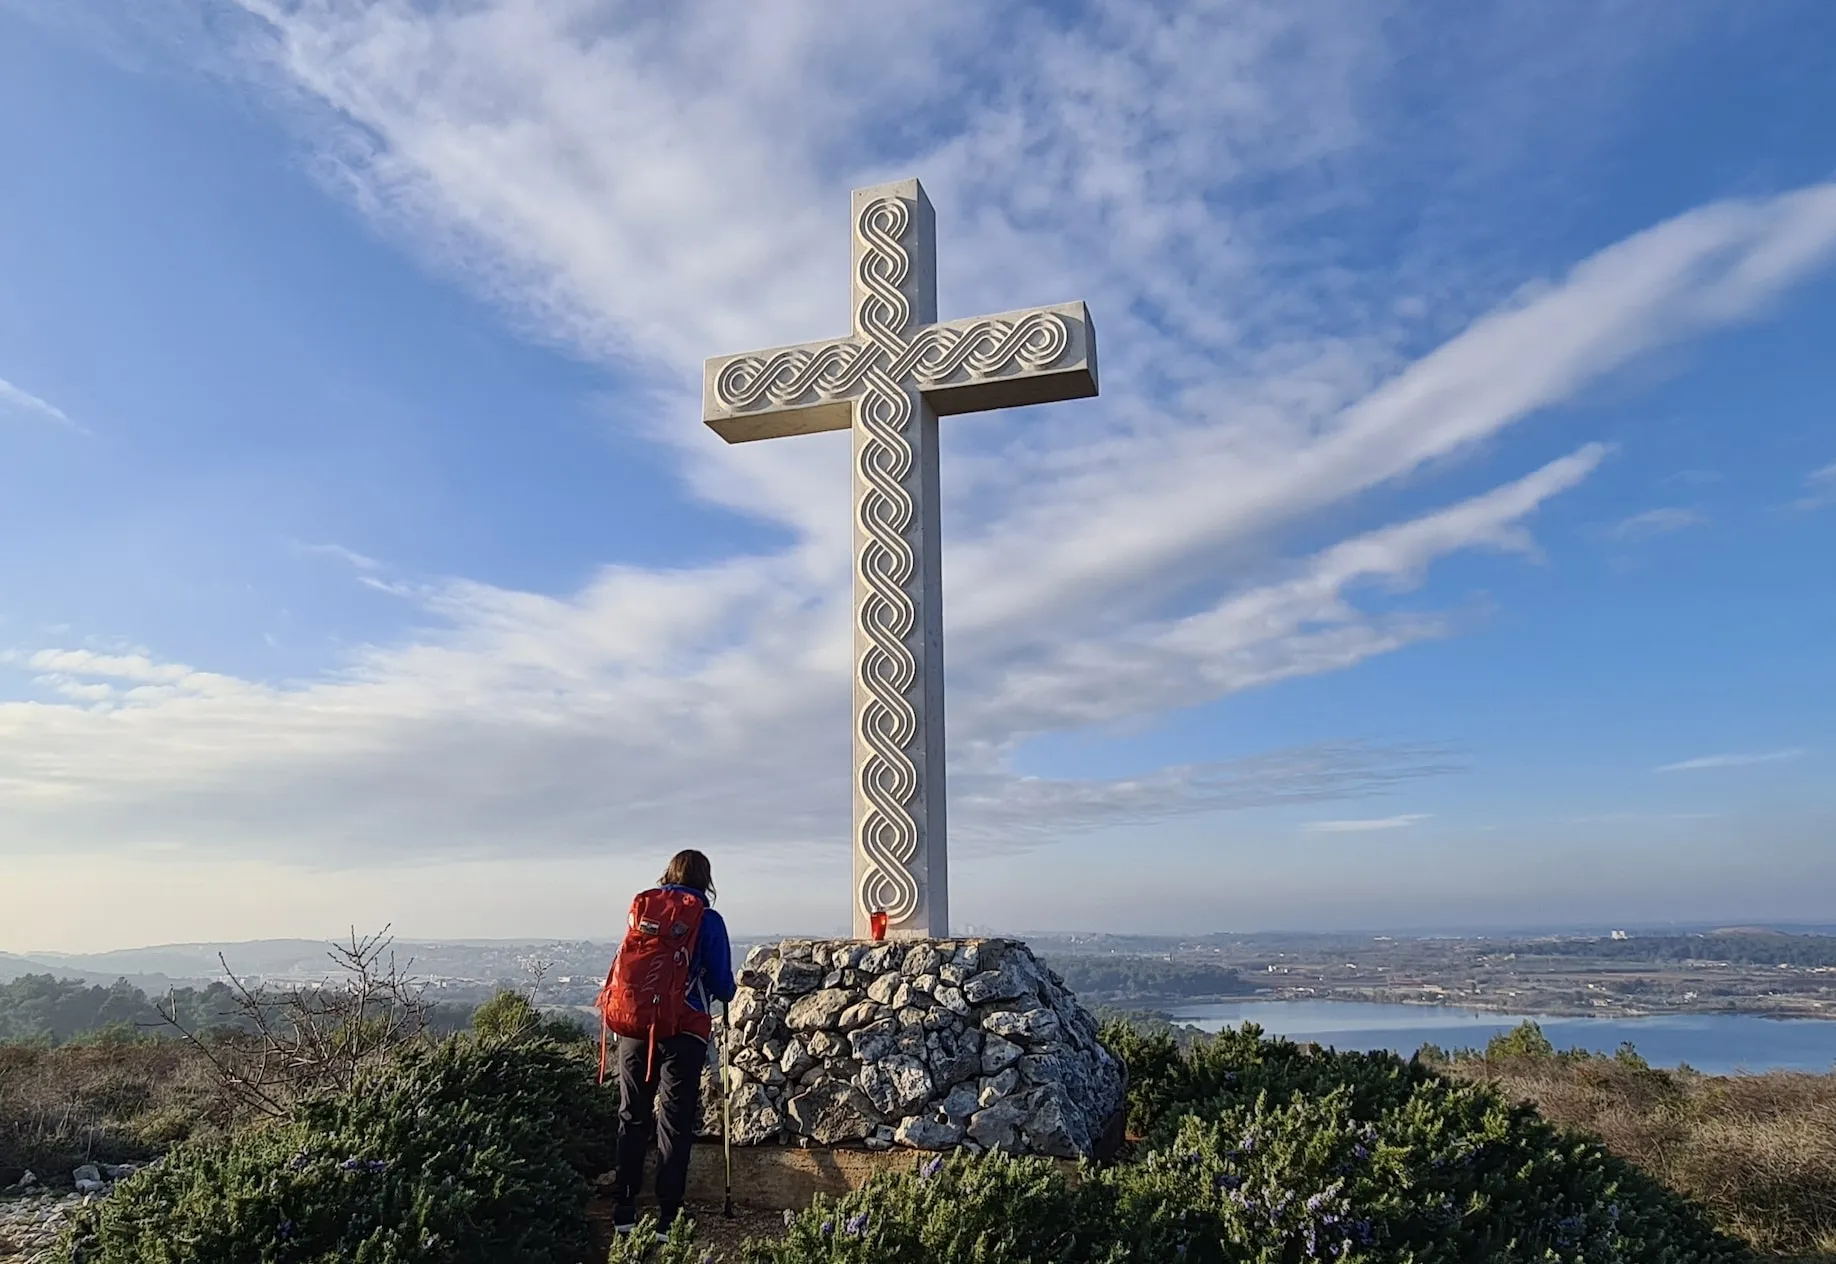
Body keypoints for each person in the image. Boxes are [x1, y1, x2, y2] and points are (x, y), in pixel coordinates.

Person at [608, 848, 736, 1238]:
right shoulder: (707, 919)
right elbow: (723, 986)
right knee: (674, 1121)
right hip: (683, 1030)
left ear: (668, 874)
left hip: (634, 1028)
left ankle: (624, 1210)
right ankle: (668, 1216)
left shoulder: (647, 911)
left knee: (632, 1115)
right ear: (706, 880)